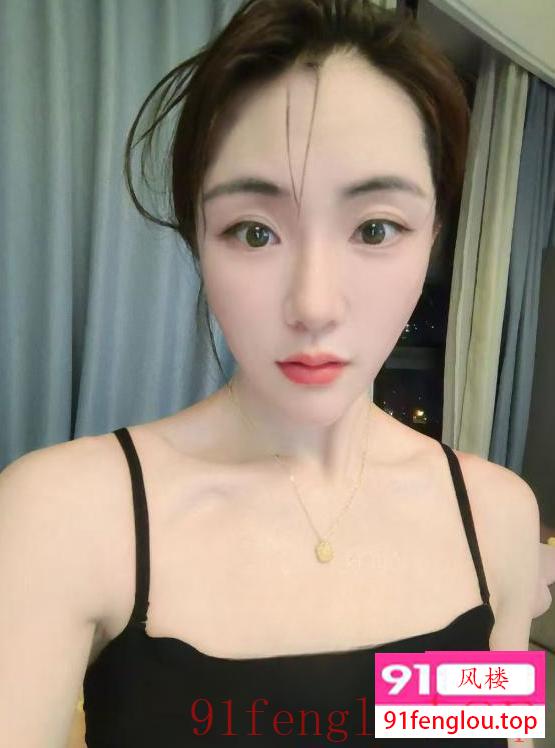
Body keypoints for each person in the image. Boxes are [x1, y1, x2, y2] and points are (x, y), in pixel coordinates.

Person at [0, 0, 543, 746]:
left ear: (433, 237)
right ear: (198, 239)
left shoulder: (495, 518)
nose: (313, 305)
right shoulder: (68, 515)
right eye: (254, 232)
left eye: (375, 228)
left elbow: (466, 730)